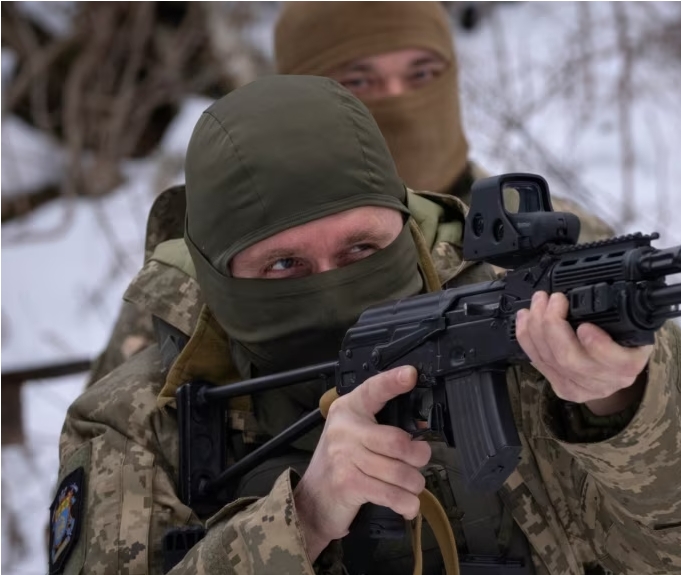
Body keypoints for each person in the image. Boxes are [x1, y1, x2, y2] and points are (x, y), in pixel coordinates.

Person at [55, 76, 681, 575]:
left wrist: (625, 407)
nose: (332, 282)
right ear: (218, 275)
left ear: (405, 225)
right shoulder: (135, 422)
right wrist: (300, 519)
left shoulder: (523, 301)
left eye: (362, 248)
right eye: (281, 266)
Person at [84, 1, 615, 387]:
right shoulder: (207, 284)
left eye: (422, 72)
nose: (399, 101)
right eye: (359, 82)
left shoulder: (555, 229)